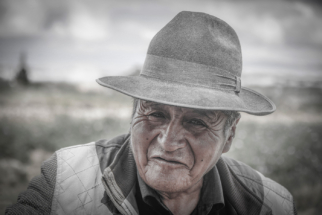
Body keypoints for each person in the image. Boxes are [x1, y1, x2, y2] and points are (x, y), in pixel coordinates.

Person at [6, 11, 296, 215]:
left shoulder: (270, 204)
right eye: (155, 114)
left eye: (196, 122)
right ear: (134, 112)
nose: (169, 143)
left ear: (230, 134)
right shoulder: (65, 179)